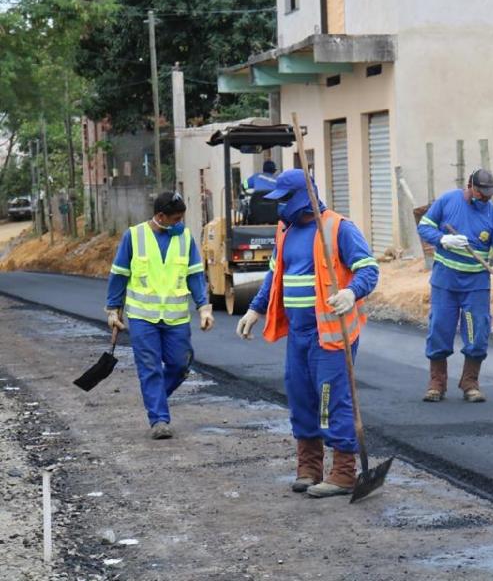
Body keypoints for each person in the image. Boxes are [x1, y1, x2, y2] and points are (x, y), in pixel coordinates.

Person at [235, 169, 379, 498]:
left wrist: (351, 292)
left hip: (332, 332)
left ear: (302, 196)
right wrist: (255, 309)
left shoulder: (339, 228)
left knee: (330, 399)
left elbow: (369, 268)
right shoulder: (285, 231)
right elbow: (275, 274)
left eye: (285, 199)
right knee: (301, 396)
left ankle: (343, 472)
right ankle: (309, 467)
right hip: (299, 333)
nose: (279, 207)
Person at [105, 191, 215, 440]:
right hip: (143, 319)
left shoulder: (185, 238)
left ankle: (154, 397)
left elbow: (195, 275)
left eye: (181, 218)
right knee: (150, 367)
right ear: (160, 216)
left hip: (176, 318)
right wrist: (113, 309)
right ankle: (159, 419)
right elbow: (119, 274)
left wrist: (203, 307)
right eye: (175, 219)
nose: (180, 223)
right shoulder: (134, 237)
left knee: (180, 364)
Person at [417, 169, 493, 403]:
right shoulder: (447, 201)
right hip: (445, 282)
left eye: (489, 194)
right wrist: (443, 239)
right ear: (470, 186)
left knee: (476, 331)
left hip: (475, 285)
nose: (485, 198)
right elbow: (424, 227)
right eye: (482, 193)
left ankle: (470, 382)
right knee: (440, 329)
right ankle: (436, 383)